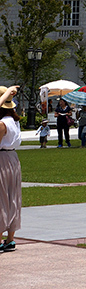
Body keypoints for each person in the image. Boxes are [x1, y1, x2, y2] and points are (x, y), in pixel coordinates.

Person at [0, 85, 22, 253]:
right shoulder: (13, 121)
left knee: (1, 198)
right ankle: (10, 238)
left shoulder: (2, 124)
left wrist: (6, 93)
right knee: (12, 196)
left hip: (2, 158)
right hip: (13, 158)